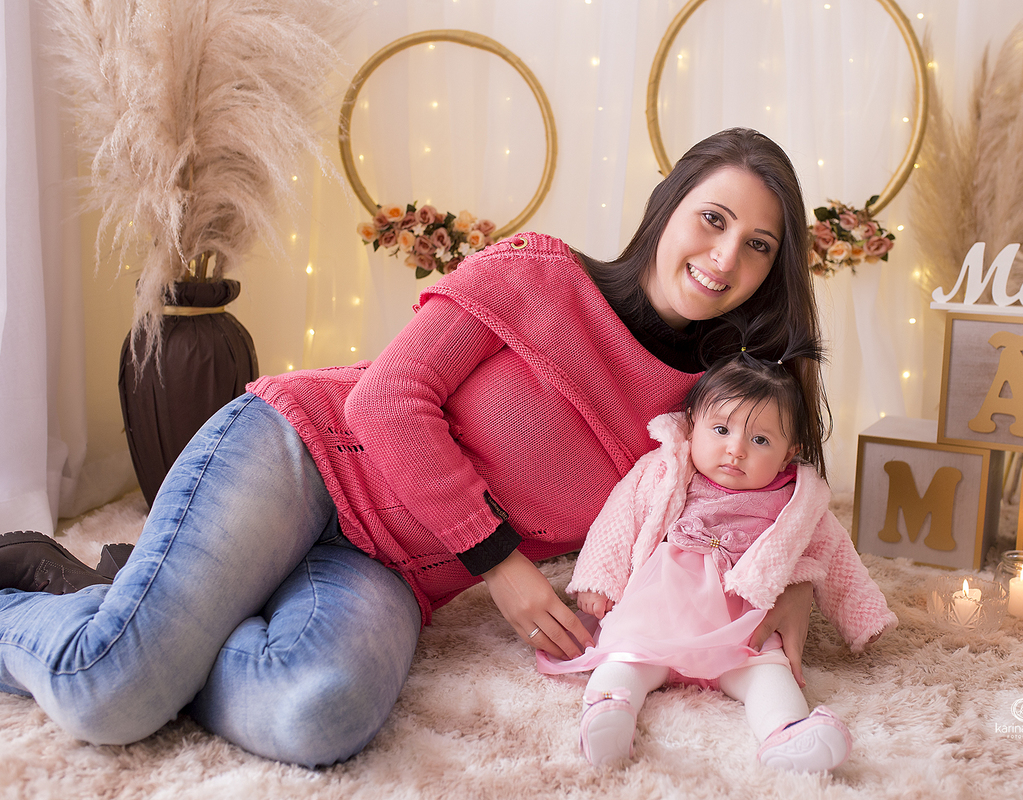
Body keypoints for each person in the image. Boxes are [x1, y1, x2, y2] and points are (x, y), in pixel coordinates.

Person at [0, 128, 826, 767]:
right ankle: (83, 609)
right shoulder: (540, 273)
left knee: (317, 713)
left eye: (758, 244)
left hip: (389, 571)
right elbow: (386, 400)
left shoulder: (709, 409)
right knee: (106, 693)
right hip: (305, 458)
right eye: (713, 219)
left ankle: (134, 604)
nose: (725, 257)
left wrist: (797, 588)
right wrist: (502, 568)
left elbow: (773, 494)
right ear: (667, 206)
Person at [537, 339, 897, 772]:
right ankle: (608, 712)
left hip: (741, 622)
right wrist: (599, 581)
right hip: (661, 608)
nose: (736, 449)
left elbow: (836, 558)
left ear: (790, 452)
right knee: (626, 656)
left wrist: (864, 616)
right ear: (693, 426)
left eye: (760, 439)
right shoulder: (666, 470)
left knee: (768, 669)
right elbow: (619, 519)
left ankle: (786, 733)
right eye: (721, 430)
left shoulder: (798, 501)